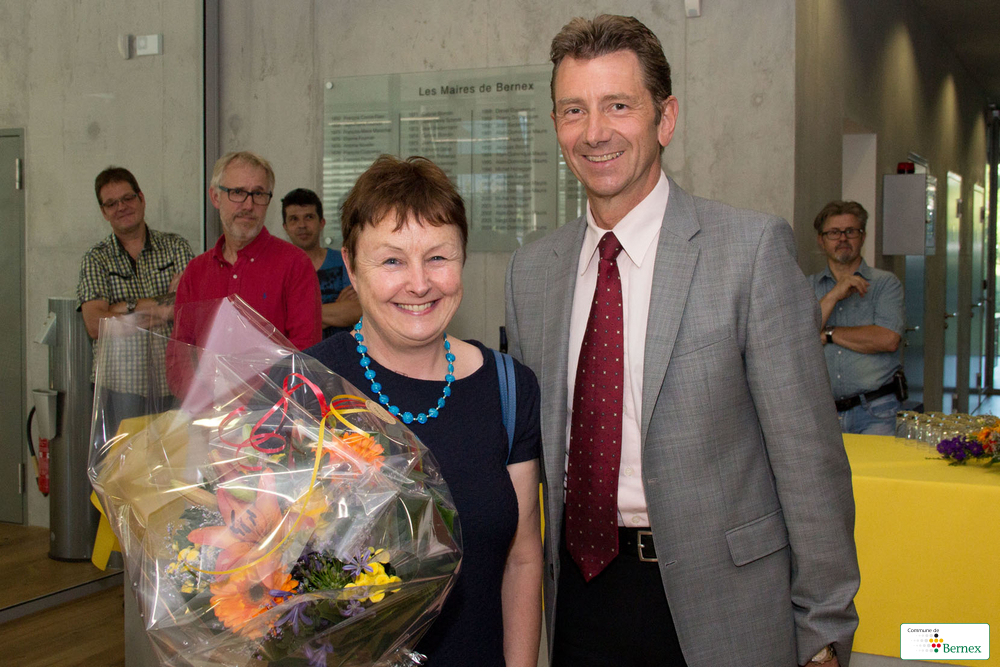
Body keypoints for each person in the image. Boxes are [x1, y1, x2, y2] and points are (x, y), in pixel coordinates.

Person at [504, 15, 859, 667]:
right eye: (574, 110)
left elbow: (809, 459)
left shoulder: (749, 252)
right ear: (556, 125)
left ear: (665, 119)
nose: (595, 131)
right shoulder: (532, 273)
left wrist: (824, 629)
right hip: (578, 601)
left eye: (618, 105)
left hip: (725, 606)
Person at [307, 155, 542, 667]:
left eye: (438, 257)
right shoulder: (307, 388)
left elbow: (523, 559)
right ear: (351, 266)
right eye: (392, 261)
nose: (419, 283)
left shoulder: (509, 389)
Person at [78, 166, 194, 434]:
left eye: (127, 198)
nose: (121, 207)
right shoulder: (96, 258)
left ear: (141, 198)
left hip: (173, 384)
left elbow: (189, 308)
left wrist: (121, 308)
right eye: (111, 203)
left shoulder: (176, 246)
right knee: (123, 461)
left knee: (175, 459)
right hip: (119, 389)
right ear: (103, 212)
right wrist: (162, 308)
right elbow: (95, 325)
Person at [174, 151, 322, 350]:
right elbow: (179, 352)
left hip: (279, 373)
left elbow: (307, 350)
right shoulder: (195, 272)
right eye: (238, 192)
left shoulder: (296, 265)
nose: (249, 205)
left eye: (258, 194)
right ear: (215, 197)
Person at [810, 201, 905, 435]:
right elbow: (800, 337)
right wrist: (834, 294)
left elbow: (888, 339)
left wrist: (829, 334)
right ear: (821, 240)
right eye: (834, 232)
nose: (842, 238)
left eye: (850, 231)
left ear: (863, 237)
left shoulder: (885, 284)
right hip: (823, 413)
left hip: (876, 410)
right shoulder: (807, 287)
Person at [281, 188, 360, 338]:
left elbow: (356, 311)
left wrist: (298, 314)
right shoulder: (279, 270)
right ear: (285, 227)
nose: (302, 225)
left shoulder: (344, 261)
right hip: (299, 351)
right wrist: (336, 308)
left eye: (309, 217)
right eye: (294, 219)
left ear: (322, 222)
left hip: (341, 350)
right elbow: (278, 321)